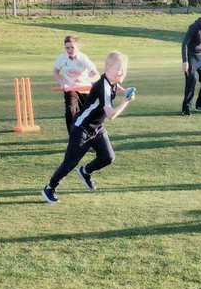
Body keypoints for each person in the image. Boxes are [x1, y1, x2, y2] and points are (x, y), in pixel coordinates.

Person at [41, 52, 133, 204]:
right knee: (70, 162)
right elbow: (111, 115)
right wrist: (126, 101)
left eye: (124, 69)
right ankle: (49, 188)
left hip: (96, 128)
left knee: (108, 157)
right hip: (81, 128)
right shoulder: (103, 86)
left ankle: (85, 171)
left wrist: (124, 91)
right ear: (108, 68)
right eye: (119, 69)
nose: (122, 72)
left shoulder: (111, 81)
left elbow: (115, 86)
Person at [52, 34, 101, 132]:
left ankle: (90, 135)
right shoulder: (62, 57)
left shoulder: (83, 58)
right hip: (70, 88)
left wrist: (86, 80)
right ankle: (73, 135)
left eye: (72, 47)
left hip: (84, 90)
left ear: (78, 47)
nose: (69, 50)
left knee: (87, 113)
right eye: (67, 48)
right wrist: (62, 83)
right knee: (70, 110)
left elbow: (97, 75)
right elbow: (55, 72)